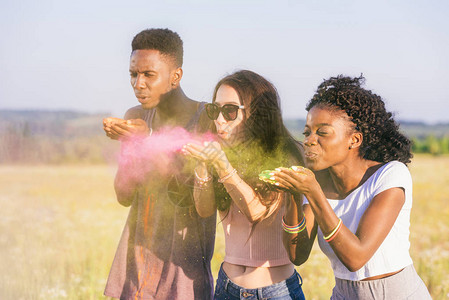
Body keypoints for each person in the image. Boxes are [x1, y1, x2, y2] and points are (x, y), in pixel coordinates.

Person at [271, 75, 431, 299]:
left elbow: (356, 258)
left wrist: (313, 192)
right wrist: (293, 195)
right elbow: (297, 255)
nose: (308, 140)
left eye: (322, 132)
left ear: (354, 140)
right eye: (307, 132)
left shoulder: (390, 175)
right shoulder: (316, 181)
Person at [102, 28, 216, 300]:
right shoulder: (136, 115)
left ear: (175, 76)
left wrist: (149, 140)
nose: (138, 84)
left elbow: (192, 198)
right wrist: (130, 145)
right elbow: (123, 196)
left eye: (148, 74)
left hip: (184, 274)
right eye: (133, 74)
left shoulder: (206, 119)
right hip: (137, 270)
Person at [183, 70, 306, 300]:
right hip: (226, 288)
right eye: (214, 109)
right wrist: (201, 166)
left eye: (229, 111)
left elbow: (258, 212)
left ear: (256, 113)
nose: (218, 119)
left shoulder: (286, 153)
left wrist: (222, 165)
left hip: (275, 292)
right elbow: (205, 210)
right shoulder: (223, 152)